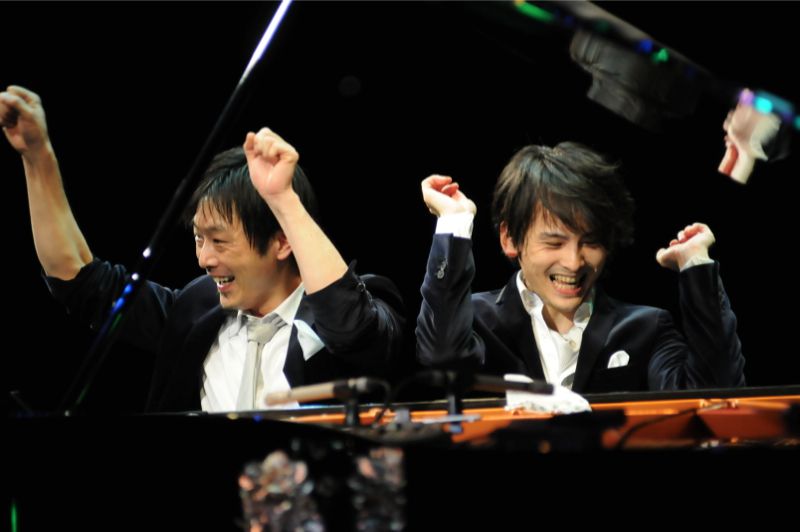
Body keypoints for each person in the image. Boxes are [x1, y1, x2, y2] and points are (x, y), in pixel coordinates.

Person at [1, 85, 405, 413]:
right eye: (198, 238)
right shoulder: (196, 310)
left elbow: (351, 330)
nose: (204, 259)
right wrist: (37, 158)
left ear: (282, 241)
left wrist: (283, 201)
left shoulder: (359, 307)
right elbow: (80, 281)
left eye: (219, 241)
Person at [416, 142, 745, 393]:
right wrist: (454, 222)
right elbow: (441, 356)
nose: (574, 262)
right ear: (510, 239)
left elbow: (717, 395)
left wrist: (695, 264)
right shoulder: (473, 321)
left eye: (591, 242)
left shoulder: (645, 329)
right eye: (554, 243)